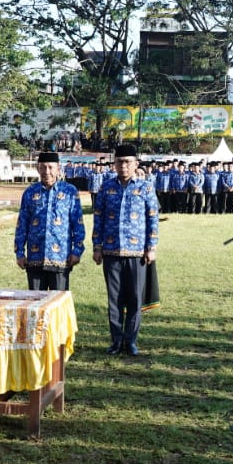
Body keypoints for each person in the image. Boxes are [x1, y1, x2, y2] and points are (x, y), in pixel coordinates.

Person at [93, 143, 159, 356]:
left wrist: (151, 247)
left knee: (134, 300)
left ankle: (130, 340)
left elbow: (153, 218)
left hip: (137, 252)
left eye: (128, 162)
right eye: (120, 162)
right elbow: (98, 218)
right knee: (114, 300)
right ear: (114, 164)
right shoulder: (106, 187)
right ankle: (116, 340)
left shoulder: (145, 187)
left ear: (135, 164)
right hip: (111, 252)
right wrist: (97, 246)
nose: (123, 166)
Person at [14, 152, 85, 291]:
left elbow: (78, 224)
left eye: (51, 167)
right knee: (36, 306)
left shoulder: (70, 192)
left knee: (57, 304)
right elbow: (22, 224)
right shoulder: (30, 192)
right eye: (43, 167)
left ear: (58, 168)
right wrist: (20, 253)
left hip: (60, 258)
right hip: (35, 257)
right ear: (38, 168)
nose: (47, 172)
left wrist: (77, 250)